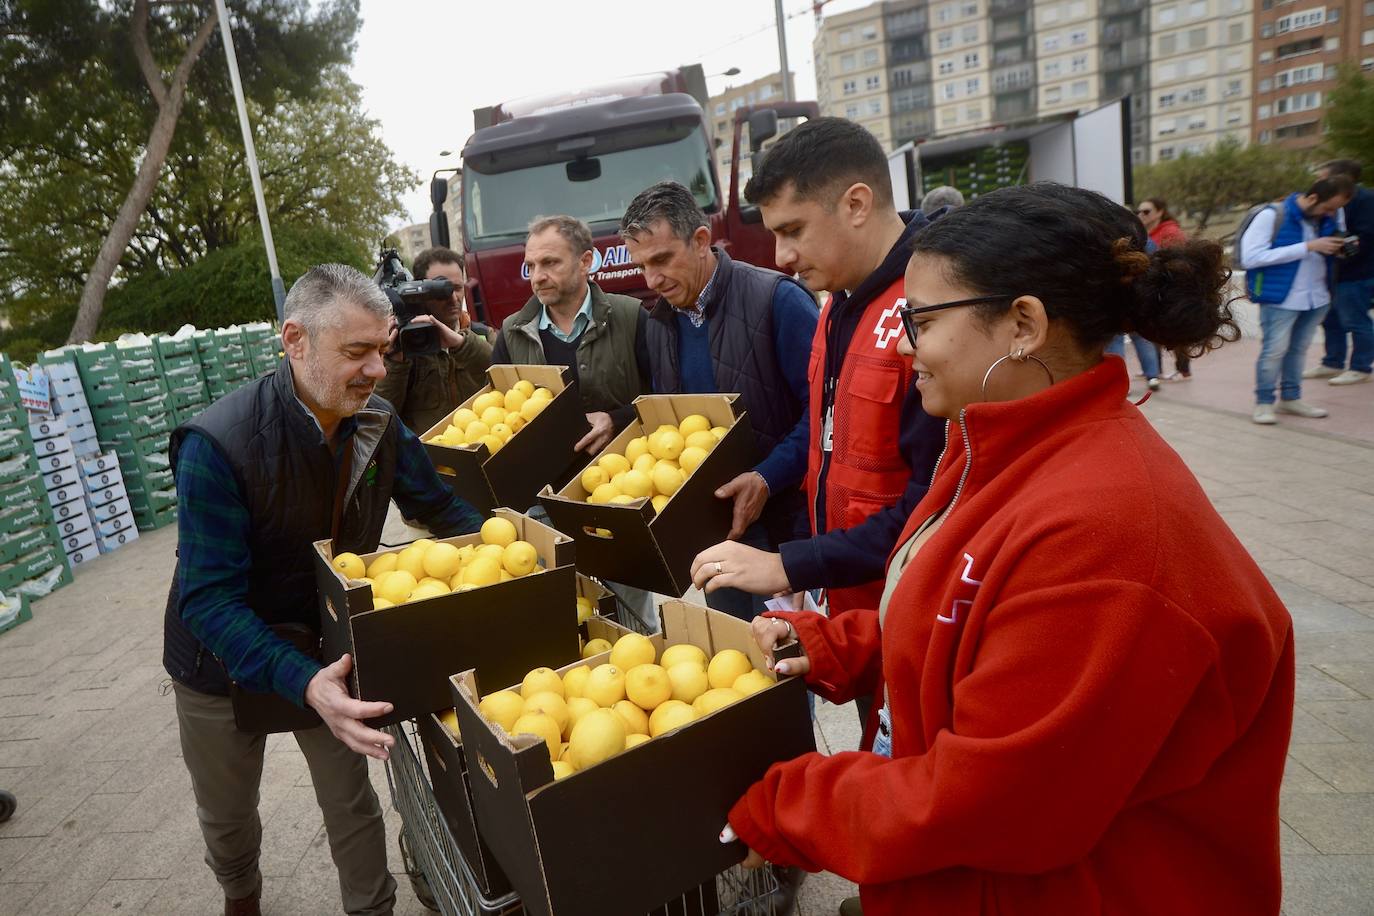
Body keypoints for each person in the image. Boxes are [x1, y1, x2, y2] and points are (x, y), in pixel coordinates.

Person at [725, 183, 1293, 916]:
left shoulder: (1108, 538)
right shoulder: (989, 443)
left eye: (920, 321)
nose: (902, 344)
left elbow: (993, 803)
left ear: (1022, 323)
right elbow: (971, 628)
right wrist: (835, 645)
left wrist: (784, 806)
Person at [163, 265, 484, 916]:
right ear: (295, 341)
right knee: (227, 813)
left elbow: (442, 509)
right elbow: (208, 600)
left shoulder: (379, 424)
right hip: (217, 660)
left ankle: (372, 908)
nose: (375, 369)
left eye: (383, 350)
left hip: (326, 643)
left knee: (349, 800)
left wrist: (521, 557)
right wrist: (303, 682)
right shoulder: (218, 445)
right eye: (356, 352)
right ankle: (240, 892)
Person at [687, 117, 945, 720]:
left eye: (794, 230)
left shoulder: (930, 316)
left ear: (856, 203)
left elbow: (932, 508)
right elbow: (829, 446)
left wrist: (787, 561)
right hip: (855, 611)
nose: (782, 256)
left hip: (914, 613)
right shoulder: (835, 305)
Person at [620, 181, 818, 621]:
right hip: (713, 535)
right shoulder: (658, 324)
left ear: (701, 240)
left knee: (784, 666)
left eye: (662, 260)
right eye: (642, 266)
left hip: (784, 530)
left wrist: (766, 477)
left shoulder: (778, 300)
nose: (652, 279)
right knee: (736, 671)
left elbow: (827, 414)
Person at [491, 215, 651, 456]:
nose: (537, 277)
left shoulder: (632, 316)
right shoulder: (511, 332)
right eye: (531, 266)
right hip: (546, 484)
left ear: (586, 261)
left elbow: (666, 399)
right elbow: (496, 415)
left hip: (628, 474)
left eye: (550, 263)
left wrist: (615, 421)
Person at [1243, 174, 1355, 425]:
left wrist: (1340, 247)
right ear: (1313, 197)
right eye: (1328, 208)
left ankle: (1291, 398)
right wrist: (1308, 247)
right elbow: (1251, 257)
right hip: (1280, 298)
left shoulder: (1332, 216)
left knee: (1298, 350)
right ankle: (1263, 402)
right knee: (1274, 351)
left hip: (1317, 297)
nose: (1331, 214)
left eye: (1336, 209)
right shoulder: (1271, 215)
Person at [374, 246, 493, 435]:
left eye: (457, 288)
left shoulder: (482, 335)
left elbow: (505, 377)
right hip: (429, 458)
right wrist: (395, 363)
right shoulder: (403, 346)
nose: (453, 298)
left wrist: (461, 345)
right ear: (418, 291)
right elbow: (380, 418)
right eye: (441, 290)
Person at [1306, 160, 1374, 386]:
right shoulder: (1328, 201)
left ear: (1342, 179)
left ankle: (1360, 367)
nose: (1318, 181)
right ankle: (1332, 362)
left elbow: (1365, 238)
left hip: (1356, 273)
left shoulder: (1365, 200)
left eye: (1323, 177)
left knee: (1355, 320)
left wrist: (1339, 247)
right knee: (1330, 319)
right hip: (1332, 273)